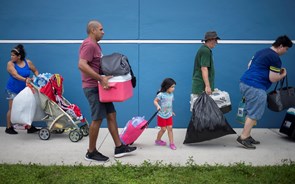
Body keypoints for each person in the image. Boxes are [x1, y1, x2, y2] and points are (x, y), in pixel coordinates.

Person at [78, 20, 136, 162]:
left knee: (111, 114)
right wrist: (100, 79)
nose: (103, 32)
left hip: (101, 88)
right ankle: (91, 152)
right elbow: (81, 65)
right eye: (101, 29)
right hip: (92, 88)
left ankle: (119, 147)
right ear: (93, 30)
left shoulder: (96, 45)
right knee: (97, 119)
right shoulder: (89, 44)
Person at [237, 35, 293, 149]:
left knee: (252, 111)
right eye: (286, 48)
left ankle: (247, 135)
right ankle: (243, 137)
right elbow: (273, 78)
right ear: (281, 46)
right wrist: (283, 74)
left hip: (245, 82)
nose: (286, 51)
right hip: (255, 87)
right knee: (254, 113)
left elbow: (249, 65)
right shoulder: (275, 58)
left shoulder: (261, 52)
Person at [5, 44, 39, 134]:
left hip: (25, 89)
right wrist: (26, 79)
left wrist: (38, 78)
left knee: (28, 107)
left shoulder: (28, 62)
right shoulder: (10, 64)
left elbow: (35, 70)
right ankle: (8, 127)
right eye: (11, 55)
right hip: (13, 89)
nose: (11, 57)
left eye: (13, 55)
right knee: (12, 108)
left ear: (19, 56)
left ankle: (29, 127)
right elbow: (15, 75)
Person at [190, 31, 220, 111]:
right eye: (215, 40)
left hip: (201, 85)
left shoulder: (204, 49)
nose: (216, 42)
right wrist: (207, 86)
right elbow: (204, 68)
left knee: (202, 111)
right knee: (202, 111)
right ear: (210, 40)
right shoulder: (205, 51)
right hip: (201, 86)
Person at [154, 78, 177, 150]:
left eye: (174, 87)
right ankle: (158, 140)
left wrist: (171, 111)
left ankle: (172, 143)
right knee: (163, 129)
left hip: (169, 114)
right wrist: (158, 106)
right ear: (167, 86)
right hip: (161, 115)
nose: (174, 89)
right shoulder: (161, 94)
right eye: (172, 87)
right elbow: (155, 101)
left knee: (170, 128)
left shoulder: (171, 94)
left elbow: (169, 104)